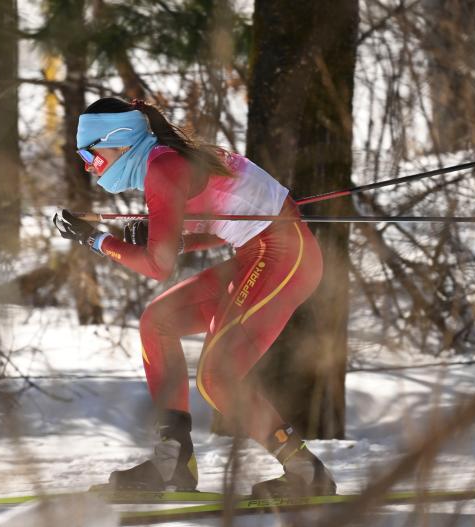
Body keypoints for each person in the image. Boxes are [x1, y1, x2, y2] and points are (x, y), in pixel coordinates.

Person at [52, 97, 337, 499]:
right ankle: (173, 461)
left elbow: (158, 266)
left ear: (117, 140)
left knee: (216, 377)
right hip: (258, 253)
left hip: (285, 257)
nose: (86, 164)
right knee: (158, 321)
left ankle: (306, 472)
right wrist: (166, 237)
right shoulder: (166, 161)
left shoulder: (163, 168)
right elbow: (223, 223)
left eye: (89, 152)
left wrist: (95, 240)